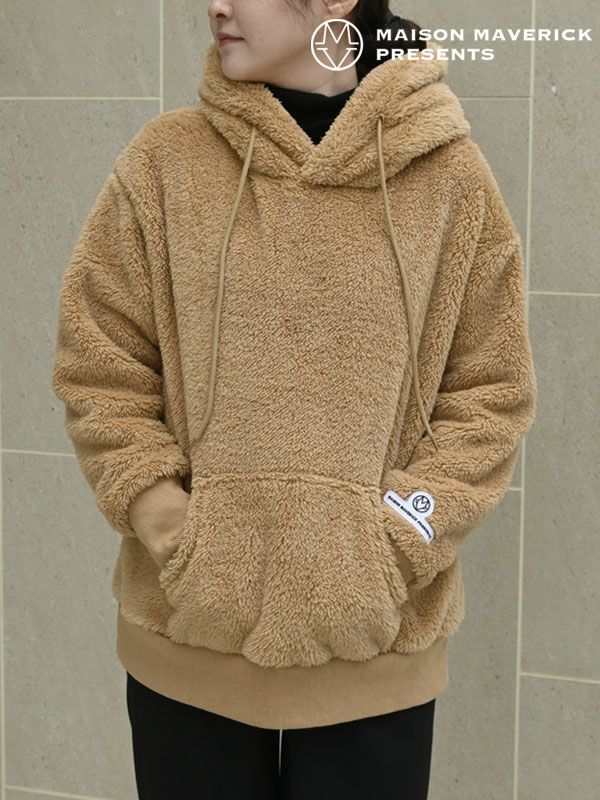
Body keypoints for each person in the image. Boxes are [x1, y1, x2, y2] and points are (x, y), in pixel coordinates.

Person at [51, 1, 538, 797]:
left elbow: (491, 391)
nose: (216, 5)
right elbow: (99, 361)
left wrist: (399, 540)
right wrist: (166, 521)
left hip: (377, 655)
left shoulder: (449, 178)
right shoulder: (164, 163)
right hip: (187, 643)